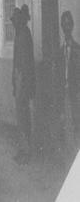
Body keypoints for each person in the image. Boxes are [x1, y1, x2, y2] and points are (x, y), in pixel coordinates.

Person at [12, 5, 35, 164]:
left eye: (16, 20)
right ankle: (23, 148)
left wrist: (25, 84)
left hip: (23, 79)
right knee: (20, 115)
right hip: (19, 77)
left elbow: (27, 63)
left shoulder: (25, 35)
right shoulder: (19, 34)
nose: (14, 23)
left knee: (23, 115)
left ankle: (26, 151)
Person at [56, 10, 80, 165]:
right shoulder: (60, 50)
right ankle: (68, 162)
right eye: (63, 25)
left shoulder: (77, 49)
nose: (66, 28)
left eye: (68, 24)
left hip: (74, 94)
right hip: (63, 93)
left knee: (76, 124)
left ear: (72, 27)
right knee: (64, 125)